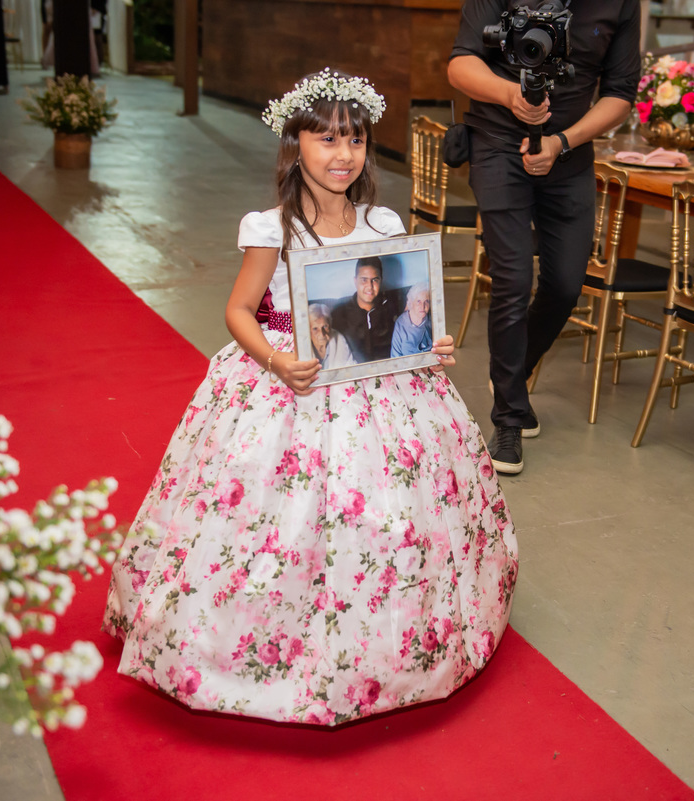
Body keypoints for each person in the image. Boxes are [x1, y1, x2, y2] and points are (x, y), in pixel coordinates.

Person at [102, 69, 518, 727]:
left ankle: (392, 639)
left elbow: (397, 310)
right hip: (289, 376)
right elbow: (239, 310)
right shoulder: (272, 228)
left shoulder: (382, 220)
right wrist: (275, 361)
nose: (342, 154)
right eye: (326, 139)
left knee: (392, 510)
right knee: (267, 517)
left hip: (378, 386)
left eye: (355, 139)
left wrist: (427, 342)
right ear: (295, 144)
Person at [448, 0, 641, 474]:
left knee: (566, 285)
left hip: (569, 156)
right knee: (513, 281)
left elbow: (620, 92)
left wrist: (561, 142)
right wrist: (510, 94)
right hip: (497, 147)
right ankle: (509, 419)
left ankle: (514, 372)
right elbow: (461, 64)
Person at [330, 255, 398, 362]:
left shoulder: (392, 307)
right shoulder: (339, 313)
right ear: (355, 281)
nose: (370, 286)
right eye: (364, 280)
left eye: (375, 280)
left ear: (381, 280)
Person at [307, 302, 355, 369]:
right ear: (308, 330)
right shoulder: (301, 345)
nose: (322, 334)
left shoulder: (339, 339)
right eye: (315, 328)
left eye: (325, 326)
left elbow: (351, 366)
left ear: (330, 325)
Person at [390, 283, 433, 357]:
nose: (423, 306)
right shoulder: (401, 323)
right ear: (411, 303)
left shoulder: (431, 321)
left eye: (426, 301)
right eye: (418, 301)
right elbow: (395, 355)